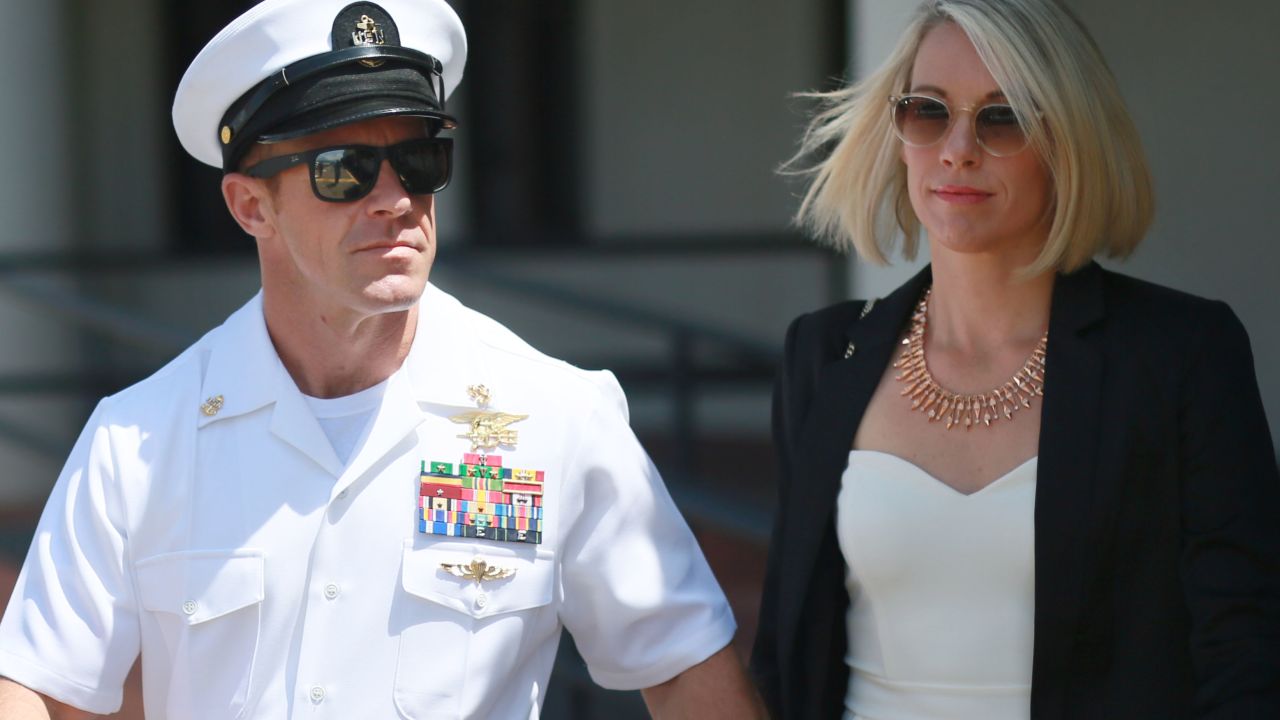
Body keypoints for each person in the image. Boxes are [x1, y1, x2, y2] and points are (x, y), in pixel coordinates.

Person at [0, 1, 766, 718]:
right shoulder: (138, 440)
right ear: (249, 206)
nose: (396, 198)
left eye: (422, 160)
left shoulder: (554, 414)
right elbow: (44, 691)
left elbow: (683, 668)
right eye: (345, 169)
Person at [750, 0, 1280, 718]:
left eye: (1004, 118)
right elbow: (787, 653)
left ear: (1069, 141)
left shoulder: (1181, 355)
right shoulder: (823, 354)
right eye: (928, 112)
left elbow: (1245, 654)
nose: (958, 147)